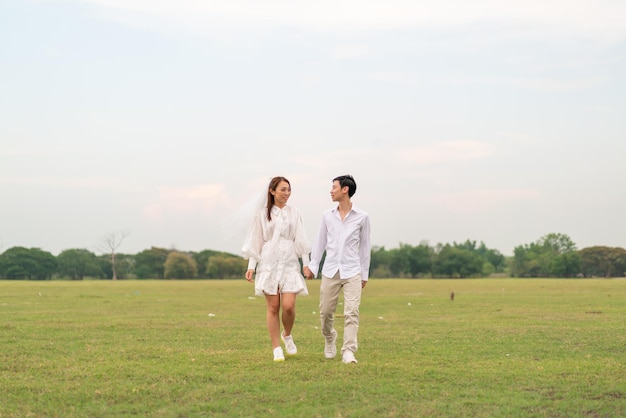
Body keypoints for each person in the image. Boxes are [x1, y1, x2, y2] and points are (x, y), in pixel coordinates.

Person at [242, 176, 311, 362]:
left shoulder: (295, 213)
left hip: (289, 261)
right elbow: (256, 240)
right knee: (273, 306)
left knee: (288, 306)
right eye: (283, 189)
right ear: (272, 191)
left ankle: (287, 334)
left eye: (289, 190)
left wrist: (306, 263)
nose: (287, 193)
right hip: (268, 262)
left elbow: (301, 239)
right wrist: (251, 266)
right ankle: (276, 348)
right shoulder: (261, 214)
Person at [304, 174, 371, 364]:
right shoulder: (327, 216)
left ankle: (348, 350)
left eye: (334, 187)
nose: (331, 190)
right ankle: (329, 337)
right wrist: (313, 266)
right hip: (331, 269)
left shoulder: (362, 217)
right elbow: (320, 243)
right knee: (325, 312)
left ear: (345, 189)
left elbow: (365, 247)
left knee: (352, 312)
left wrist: (364, 273)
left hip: (353, 271)